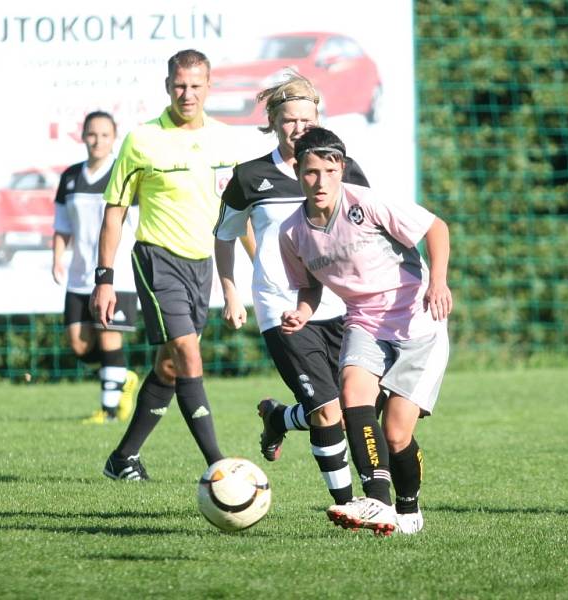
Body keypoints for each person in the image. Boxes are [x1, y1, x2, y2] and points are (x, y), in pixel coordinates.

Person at [279, 127, 452, 536]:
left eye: (327, 170)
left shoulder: (367, 204)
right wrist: (303, 312)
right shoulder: (292, 232)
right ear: (297, 171)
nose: (319, 181)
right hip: (363, 320)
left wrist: (438, 281)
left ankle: (408, 505)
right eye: (309, 172)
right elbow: (309, 284)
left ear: (340, 168)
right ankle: (378, 501)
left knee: (395, 434)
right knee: (354, 392)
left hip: (416, 321)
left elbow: (436, 227)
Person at [213, 72, 370, 507]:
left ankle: (280, 417)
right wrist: (230, 292)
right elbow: (225, 235)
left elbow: (363, 230)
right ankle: (346, 504)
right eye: (288, 120)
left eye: (306, 118)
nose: (298, 128)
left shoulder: (344, 168)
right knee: (327, 412)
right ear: (272, 122)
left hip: (343, 304)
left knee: (357, 405)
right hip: (282, 308)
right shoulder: (250, 177)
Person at [92, 49, 239, 481]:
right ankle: (219, 467)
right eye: (179, 85)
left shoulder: (225, 140)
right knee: (189, 356)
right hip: (156, 259)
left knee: (170, 367)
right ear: (167, 86)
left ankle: (122, 459)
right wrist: (105, 280)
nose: (187, 94)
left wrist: (236, 284)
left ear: (209, 87)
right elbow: (115, 211)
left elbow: (236, 216)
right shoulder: (142, 140)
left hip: (201, 266)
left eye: (195, 86)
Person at [52, 110, 139, 424]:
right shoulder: (71, 177)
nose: (97, 140)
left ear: (113, 138)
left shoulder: (123, 173)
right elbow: (62, 225)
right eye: (92, 134)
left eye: (104, 134)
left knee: (108, 337)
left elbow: (137, 223)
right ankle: (123, 376)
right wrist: (57, 257)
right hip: (79, 276)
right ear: (83, 136)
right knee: (78, 343)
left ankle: (110, 411)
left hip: (117, 274)